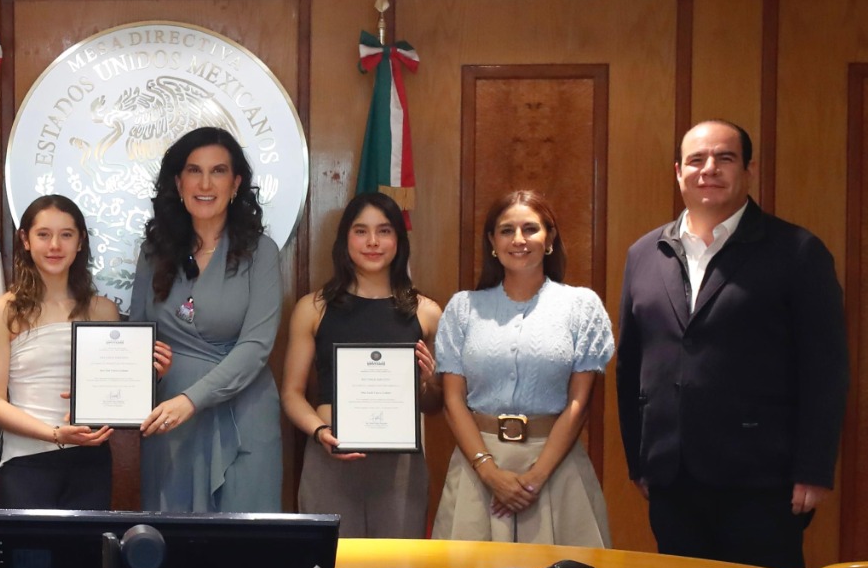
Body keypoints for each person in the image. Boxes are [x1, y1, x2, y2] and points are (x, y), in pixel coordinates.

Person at [617, 119, 848, 568]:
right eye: (697, 160)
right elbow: (631, 364)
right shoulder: (644, 253)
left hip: (763, 477)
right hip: (671, 474)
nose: (710, 169)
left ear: (748, 170)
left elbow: (826, 369)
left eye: (725, 158)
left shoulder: (797, 251)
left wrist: (813, 469)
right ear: (678, 172)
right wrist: (638, 462)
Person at [434, 191, 614, 546]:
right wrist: (489, 472)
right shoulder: (463, 308)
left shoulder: (581, 306)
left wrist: (536, 477)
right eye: (506, 230)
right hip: (477, 470)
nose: (518, 240)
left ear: (549, 239)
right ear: (492, 242)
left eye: (530, 229)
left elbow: (579, 405)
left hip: (556, 470)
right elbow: (453, 402)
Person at [133, 127, 283, 513]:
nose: (205, 183)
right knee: (171, 552)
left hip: (244, 416)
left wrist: (191, 400)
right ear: (178, 182)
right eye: (194, 171)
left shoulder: (260, 253)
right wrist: (101, 395)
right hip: (171, 424)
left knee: (242, 554)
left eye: (217, 171)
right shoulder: (154, 252)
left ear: (235, 184)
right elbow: (134, 341)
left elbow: (256, 347)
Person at [281, 192, 443, 536]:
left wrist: (429, 381)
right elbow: (292, 394)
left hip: (400, 467)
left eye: (384, 231)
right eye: (361, 231)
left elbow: (434, 404)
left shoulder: (426, 312)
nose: (372, 242)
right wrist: (320, 431)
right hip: (329, 456)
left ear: (399, 240)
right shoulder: (314, 308)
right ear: (345, 240)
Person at [0, 195, 122, 510]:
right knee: (30, 561)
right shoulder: (3, 312)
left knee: (85, 561)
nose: (55, 244)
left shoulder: (105, 311)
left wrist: (150, 375)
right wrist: (55, 434)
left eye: (66, 234)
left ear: (80, 242)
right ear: (25, 240)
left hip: (91, 462)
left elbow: (117, 390)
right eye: (43, 234)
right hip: (27, 463)